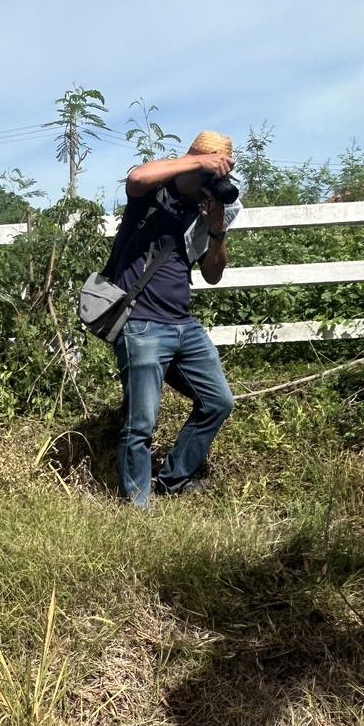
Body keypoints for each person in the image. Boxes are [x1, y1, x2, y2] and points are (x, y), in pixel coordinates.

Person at [109, 131, 241, 507]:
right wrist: (200, 163)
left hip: (184, 324)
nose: (209, 182)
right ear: (194, 160)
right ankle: (137, 509)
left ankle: (172, 479)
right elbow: (135, 178)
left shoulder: (202, 210)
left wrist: (217, 229)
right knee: (141, 424)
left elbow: (213, 274)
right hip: (142, 324)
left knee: (218, 401)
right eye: (208, 171)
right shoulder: (155, 194)